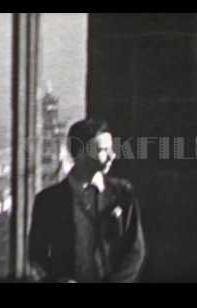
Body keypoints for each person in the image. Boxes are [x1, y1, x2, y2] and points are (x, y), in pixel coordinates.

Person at [29, 118, 146, 283]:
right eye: (103, 150)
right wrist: (57, 279)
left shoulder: (123, 194)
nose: (112, 156)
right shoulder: (47, 202)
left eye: (111, 148)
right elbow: (35, 255)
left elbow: (135, 251)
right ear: (80, 153)